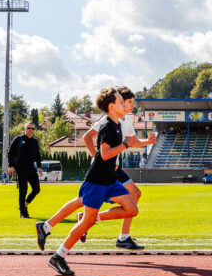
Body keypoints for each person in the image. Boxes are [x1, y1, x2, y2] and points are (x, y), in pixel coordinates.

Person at [36, 86, 156, 252]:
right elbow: (87, 137)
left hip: (111, 167)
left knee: (125, 196)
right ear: (116, 104)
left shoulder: (126, 119)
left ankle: (48, 226)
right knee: (86, 201)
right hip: (103, 167)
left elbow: (133, 141)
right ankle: (121, 236)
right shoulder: (109, 120)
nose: (131, 106)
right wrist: (97, 157)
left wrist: (149, 142)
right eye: (127, 102)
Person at [45, 88, 139, 276]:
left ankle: (92, 219)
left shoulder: (117, 123)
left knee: (132, 208)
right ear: (111, 107)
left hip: (109, 180)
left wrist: (130, 142)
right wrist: (127, 144)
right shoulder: (108, 126)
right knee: (85, 224)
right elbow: (104, 155)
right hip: (97, 182)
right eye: (121, 102)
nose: (125, 105)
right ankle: (59, 255)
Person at [8, 122, 42, 218]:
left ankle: (25, 203)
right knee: (23, 190)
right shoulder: (19, 139)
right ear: (25, 128)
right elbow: (11, 153)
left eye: (32, 128)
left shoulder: (34, 141)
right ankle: (23, 213)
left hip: (31, 167)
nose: (31, 130)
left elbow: (37, 155)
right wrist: (11, 165)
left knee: (36, 189)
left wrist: (39, 167)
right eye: (29, 128)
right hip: (20, 167)